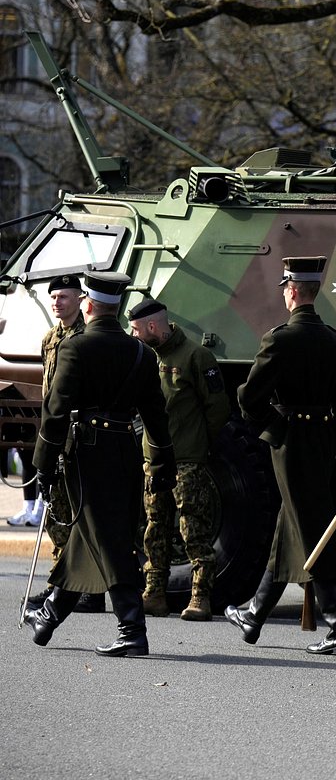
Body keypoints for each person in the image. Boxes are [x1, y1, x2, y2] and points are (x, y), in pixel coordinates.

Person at [23, 271, 175, 656]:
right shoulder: (142, 353)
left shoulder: (75, 349)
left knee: (108, 540)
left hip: (87, 453)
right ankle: (50, 617)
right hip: (124, 450)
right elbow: (157, 417)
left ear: (87, 305)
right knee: (91, 535)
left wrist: (42, 464)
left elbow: (56, 413)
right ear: (118, 307)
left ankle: (132, 629)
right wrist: (162, 466)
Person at [224, 256, 336, 655]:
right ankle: (255, 614)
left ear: (294, 290)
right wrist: (323, 435)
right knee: (292, 524)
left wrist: (277, 427)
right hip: (318, 441)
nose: (283, 292)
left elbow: (249, 397)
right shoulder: (335, 341)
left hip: (290, 442)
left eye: (285, 286)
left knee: (311, 529)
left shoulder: (280, 339)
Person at [129, 298, 231, 621]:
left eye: (135, 330)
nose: (132, 336)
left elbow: (218, 409)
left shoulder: (196, 357)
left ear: (152, 327)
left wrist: (198, 445)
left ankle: (201, 596)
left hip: (187, 461)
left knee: (193, 530)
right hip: (154, 460)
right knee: (154, 529)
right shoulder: (143, 359)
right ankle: (154, 592)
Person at [24, 274, 106, 614]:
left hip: (81, 435)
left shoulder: (88, 338)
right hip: (55, 435)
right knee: (57, 512)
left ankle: (92, 589)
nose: (57, 302)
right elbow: (48, 393)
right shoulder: (49, 339)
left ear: (80, 299)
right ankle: (60, 585)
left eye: (64, 297)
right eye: (54, 297)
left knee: (82, 513)